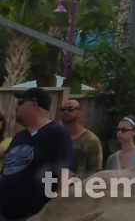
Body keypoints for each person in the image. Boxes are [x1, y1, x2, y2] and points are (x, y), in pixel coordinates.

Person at [0, 88, 74, 221]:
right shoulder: (20, 136)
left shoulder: (56, 133)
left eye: (20, 102)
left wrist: (58, 212)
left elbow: (64, 174)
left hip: (33, 216)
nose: (16, 107)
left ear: (34, 105)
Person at [60, 98, 102, 178]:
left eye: (71, 109)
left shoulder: (91, 140)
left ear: (80, 113)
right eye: (63, 109)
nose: (66, 111)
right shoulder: (54, 136)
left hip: (79, 187)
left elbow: (96, 172)